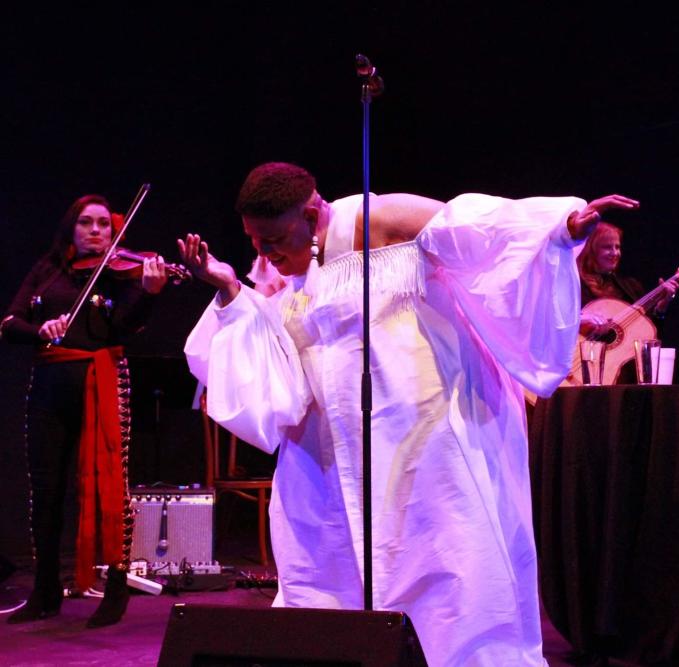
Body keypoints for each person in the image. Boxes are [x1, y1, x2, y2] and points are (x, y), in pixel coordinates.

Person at [180, 162, 639, 666]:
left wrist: (561, 226)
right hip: (329, 449)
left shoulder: (381, 217)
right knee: (327, 565)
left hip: (422, 427)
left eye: (272, 239)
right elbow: (268, 340)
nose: (263, 254)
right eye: (254, 241)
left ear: (312, 213)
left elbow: (477, 233)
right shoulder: (283, 264)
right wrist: (228, 289)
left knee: (443, 560)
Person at [1, 194, 168, 627]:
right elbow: (9, 324)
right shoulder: (48, 269)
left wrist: (148, 294)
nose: (96, 232)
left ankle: (115, 589)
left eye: (103, 226)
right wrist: (42, 329)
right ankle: (45, 591)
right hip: (49, 385)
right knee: (47, 491)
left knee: (111, 487)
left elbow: (125, 326)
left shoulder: (119, 273)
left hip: (103, 383)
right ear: (70, 229)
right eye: (86, 224)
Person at [577, 220, 678, 339]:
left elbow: (647, 337)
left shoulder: (630, 288)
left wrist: (660, 309)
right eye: (607, 247)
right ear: (591, 250)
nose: (615, 253)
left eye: (617, 247)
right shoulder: (575, 286)